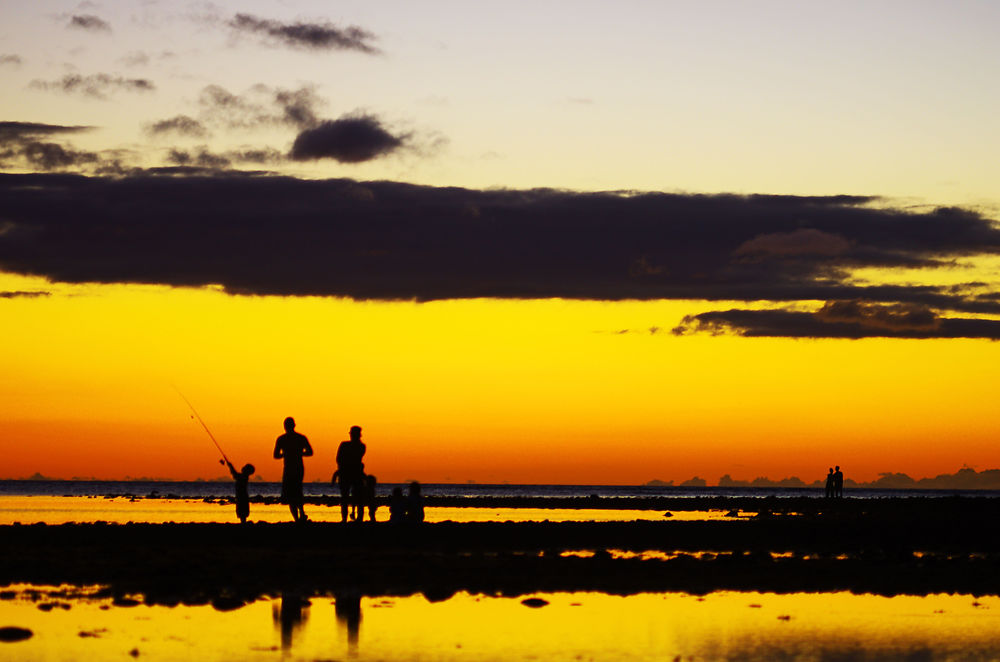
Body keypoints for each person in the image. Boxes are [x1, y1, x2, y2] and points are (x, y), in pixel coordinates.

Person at [273, 416, 313, 522]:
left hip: (293, 468)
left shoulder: (282, 439)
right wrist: (296, 453)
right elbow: (310, 452)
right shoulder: (300, 438)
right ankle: (300, 515)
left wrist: (287, 454)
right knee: (296, 491)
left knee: (292, 493)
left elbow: (276, 455)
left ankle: (298, 517)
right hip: (295, 467)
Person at [335, 426, 366, 522]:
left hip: (350, 473)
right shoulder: (358, 446)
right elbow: (339, 459)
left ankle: (356, 518)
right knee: (346, 497)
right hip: (350, 472)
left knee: (353, 497)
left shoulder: (360, 446)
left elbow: (340, 459)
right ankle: (346, 518)